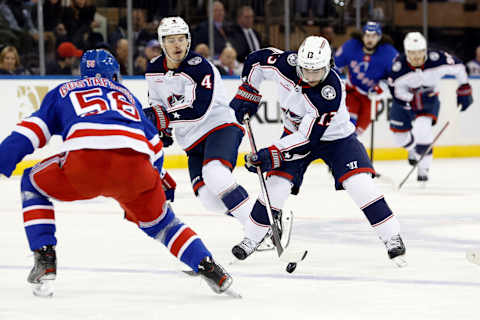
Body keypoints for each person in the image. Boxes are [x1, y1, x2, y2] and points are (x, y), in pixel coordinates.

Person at [0, 49, 233, 297]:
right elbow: (154, 144)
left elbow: (31, 131)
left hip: (85, 163)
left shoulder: (64, 90)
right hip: (136, 169)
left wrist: (4, 159)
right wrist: (156, 180)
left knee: (32, 182)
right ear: (114, 74)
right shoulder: (128, 96)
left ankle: (45, 257)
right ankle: (210, 268)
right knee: (162, 223)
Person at [229, 36, 407, 267]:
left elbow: (307, 139)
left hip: (336, 139)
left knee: (360, 184)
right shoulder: (285, 63)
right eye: (306, 70)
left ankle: (391, 235)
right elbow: (255, 61)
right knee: (276, 186)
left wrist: (269, 154)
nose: (310, 77)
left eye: (317, 72)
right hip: (294, 134)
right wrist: (248, 90)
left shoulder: (330, 91)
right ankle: (251, 238)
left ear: (329, 65)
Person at [143, 17, 272, 258]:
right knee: (209, 199)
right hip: (191, 141)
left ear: (188, 40)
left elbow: (198, 109)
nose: (177, 44)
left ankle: (259, 229)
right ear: (162, 43)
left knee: (216, 173)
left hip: (219, 126)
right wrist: (163, 130)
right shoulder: (153, 69)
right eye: (171, 40)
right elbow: (157, 103)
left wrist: (164, 119)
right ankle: (260, 218)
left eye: (181, 38)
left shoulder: (200, 67)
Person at [388, 32, 473, 182]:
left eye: (420, 52)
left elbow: (459, 67)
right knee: (399, 138)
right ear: (406, 52)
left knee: (422, 128)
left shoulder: (438, 59)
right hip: (404, 99)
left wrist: (464, 88)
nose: (416, 57)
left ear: (425, 50)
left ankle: (423, 168)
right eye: (412, 53)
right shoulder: (398, 67)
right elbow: (395, 90)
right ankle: (413, 150)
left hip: (429, 97)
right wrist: (410, 99)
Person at [334, 21, 398, 135]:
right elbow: (335, 66)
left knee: (357, 133)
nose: (370, 39)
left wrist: (382, 88)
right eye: (367, 35)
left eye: (374, 36)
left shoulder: (389, 53)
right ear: (362, 36)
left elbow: (396, 76)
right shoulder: (351, 46)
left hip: (371, 98)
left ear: (379, 37)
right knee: (348, 128)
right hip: (352, 92)